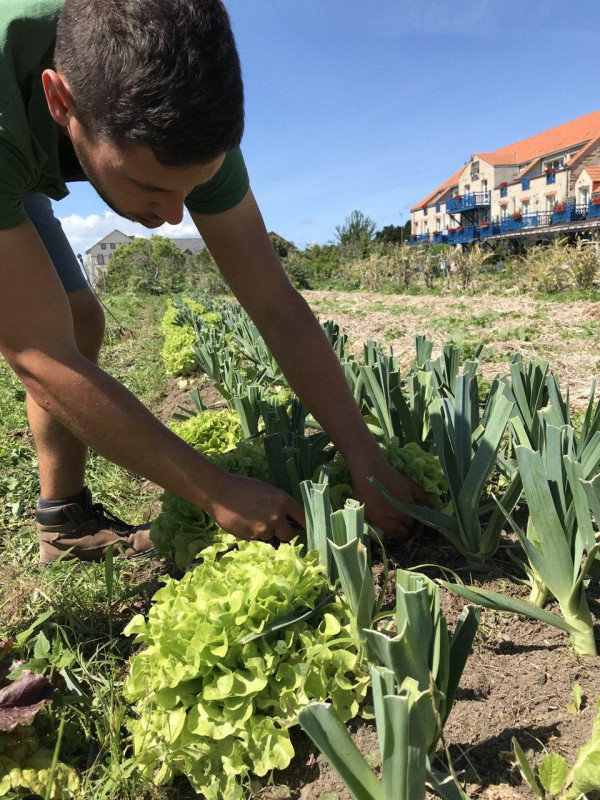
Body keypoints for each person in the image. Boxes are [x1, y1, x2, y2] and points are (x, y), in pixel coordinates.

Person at [0, 0, 430, 565]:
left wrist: (364, 456)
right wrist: (215, 491)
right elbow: (37, 354)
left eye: (192, 188)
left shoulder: (189, 129)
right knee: (41, 334)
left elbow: (274, 303)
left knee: (80, 318)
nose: (174, 216)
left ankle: (64, 520)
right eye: (148, 186)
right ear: (61, 101)